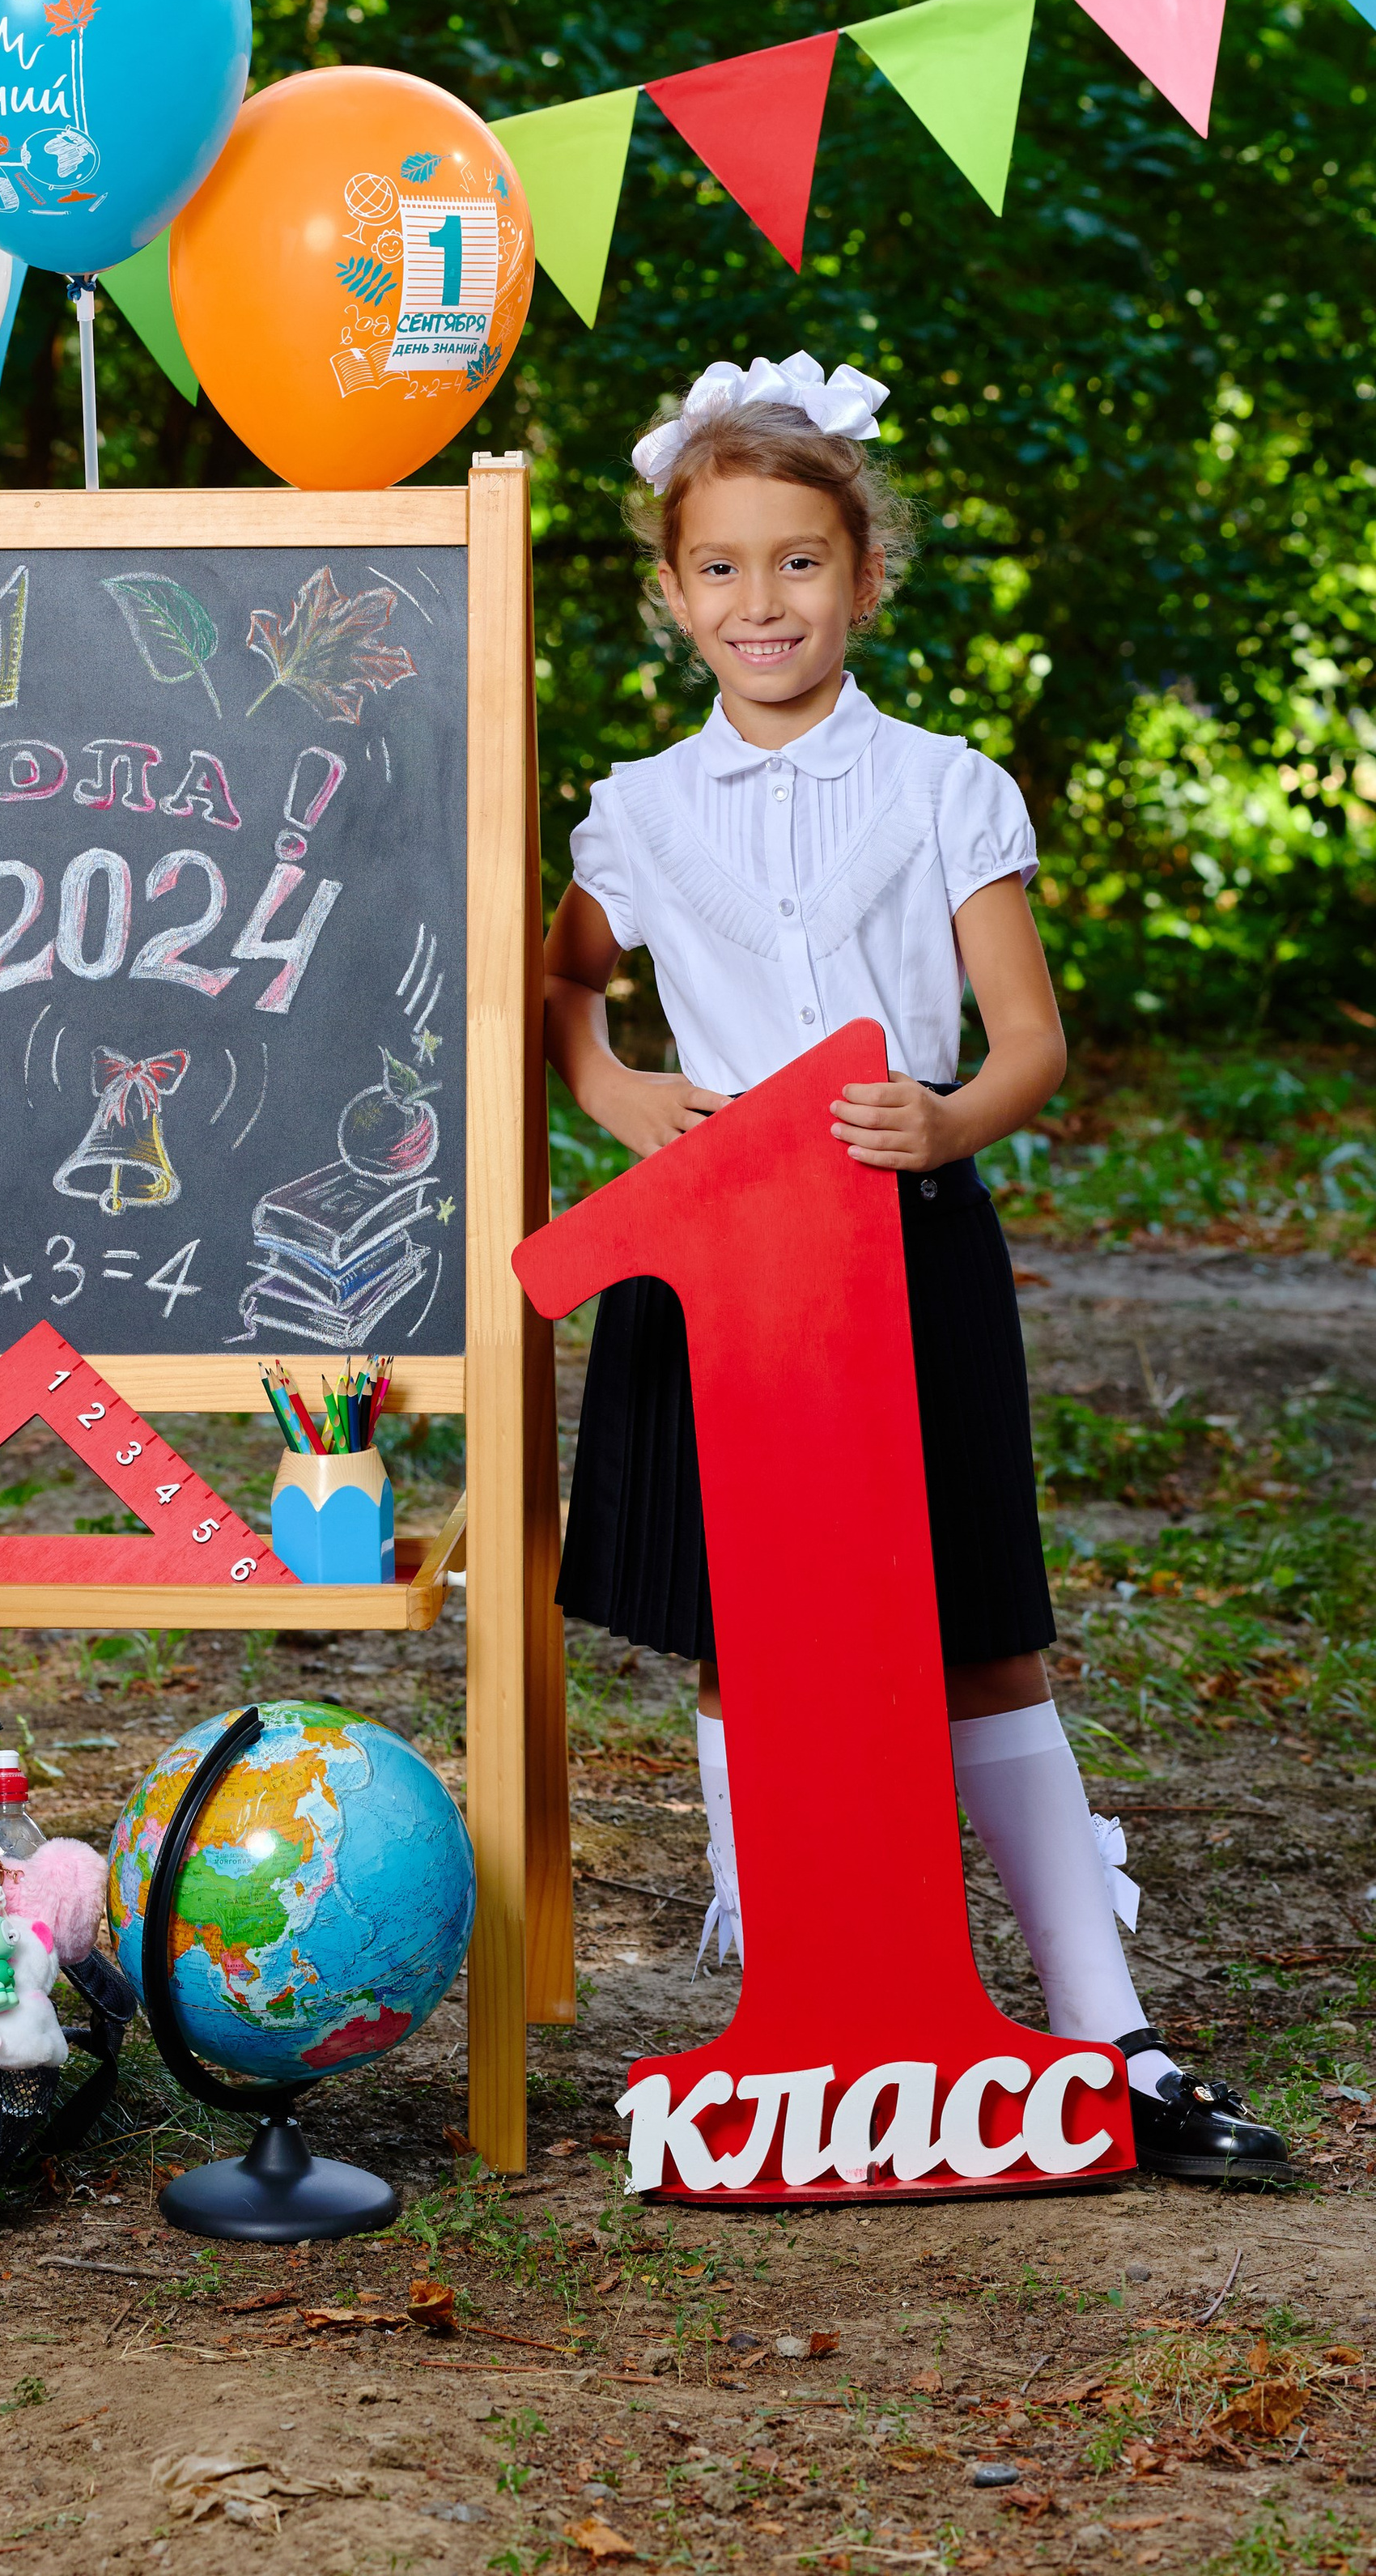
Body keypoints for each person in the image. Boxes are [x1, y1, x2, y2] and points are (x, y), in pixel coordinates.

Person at [543, 350, 1285, 2185]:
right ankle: (792, 1999)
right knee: (745, 1640)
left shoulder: (947, 787)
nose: (758, 603)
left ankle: (1105, 2024)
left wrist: (944, 1122)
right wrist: (621, 1088)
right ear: (668, 589)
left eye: (796, 562)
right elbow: (564, 994)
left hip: (901, 1251)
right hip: (717, 1272)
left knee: (978, 1638)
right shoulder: (634, 811)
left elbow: (1025, 1037)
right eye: (717, 567)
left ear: (862, 574)